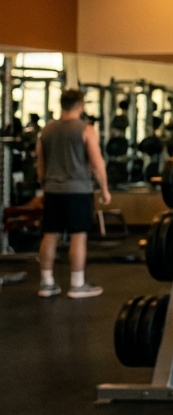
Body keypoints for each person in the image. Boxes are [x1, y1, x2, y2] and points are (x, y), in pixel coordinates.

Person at [34, 89, 109, 298]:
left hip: (53, 190)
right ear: (81, 105)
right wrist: (104, 189)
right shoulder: (86, 129)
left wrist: (44, 185)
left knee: (50, 234)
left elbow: (40, 161)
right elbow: (96, 162)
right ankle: (77, 285)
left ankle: (46, 284)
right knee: (78, 235)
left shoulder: (46, 130)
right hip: (78, 190)